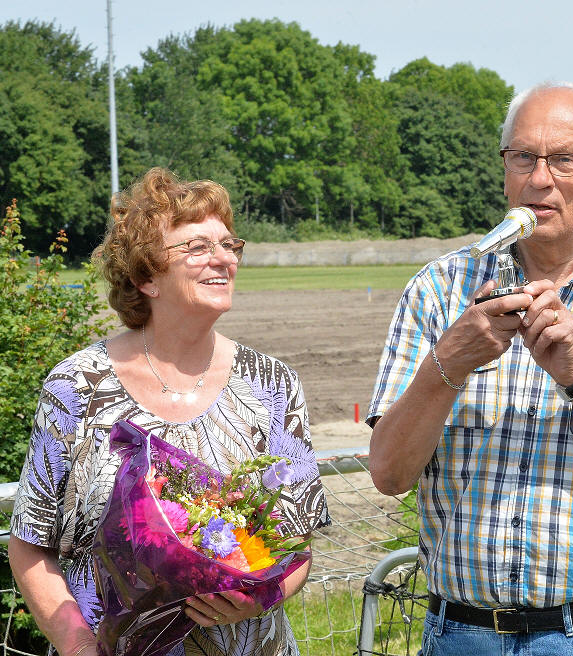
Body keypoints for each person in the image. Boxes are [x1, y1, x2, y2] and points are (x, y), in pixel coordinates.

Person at [366, 81, 573, 656]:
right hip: (461, 634)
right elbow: (389, 474)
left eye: (565, 160)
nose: (539, 178)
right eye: (522, 156)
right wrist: (448, 362)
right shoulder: (441, 287)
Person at [9, 168, 331, 656]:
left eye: (228, 245)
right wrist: (79, 649)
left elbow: (297, 543)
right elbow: (30, 544)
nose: (223, 259)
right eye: (197, 247)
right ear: (145, 277)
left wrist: (260, 597)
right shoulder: (77, 386)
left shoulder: (271, 384)